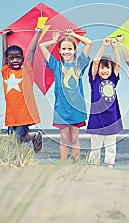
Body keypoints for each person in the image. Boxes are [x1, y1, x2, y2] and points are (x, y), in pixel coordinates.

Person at [39, 29, 92, 162]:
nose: (66, 51)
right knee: (64, 139)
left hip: (76, 108)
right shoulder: (56, 65)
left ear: (74, 50)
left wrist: (72, 35)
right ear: (60, 51)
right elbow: (41, 46)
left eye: (70, 48)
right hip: (61, 109)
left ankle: (76, 165)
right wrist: (54, 41)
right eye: (63, 49)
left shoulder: (79, 65)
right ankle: (62, 166)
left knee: (74, 139)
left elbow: (89, 43)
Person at [1, 28, 43, 153]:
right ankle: (17, 163)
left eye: (18, 58)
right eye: (12, 58)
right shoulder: (5, 72)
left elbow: (31, 50)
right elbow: (4, 53)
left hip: (24, 114)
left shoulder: (27, 72)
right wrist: (4, 37)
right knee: (13, 142)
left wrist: (37, 34)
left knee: (18, 139)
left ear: (22, 58)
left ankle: (35, 135)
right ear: (8, 60)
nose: (15, 60)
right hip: (11, 115)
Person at [87, 38, 123, 169]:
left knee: (110, 145)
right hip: (97, 118)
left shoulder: (113, 79)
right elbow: (95, 62)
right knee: (95, 146)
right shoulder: (94, 80)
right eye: (102, 68)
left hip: (111, 118)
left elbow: (117, 64)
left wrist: (114, 47)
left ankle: (109, 165)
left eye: (107, 67)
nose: (104, 70)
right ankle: (93, 166)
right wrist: (103, 46)